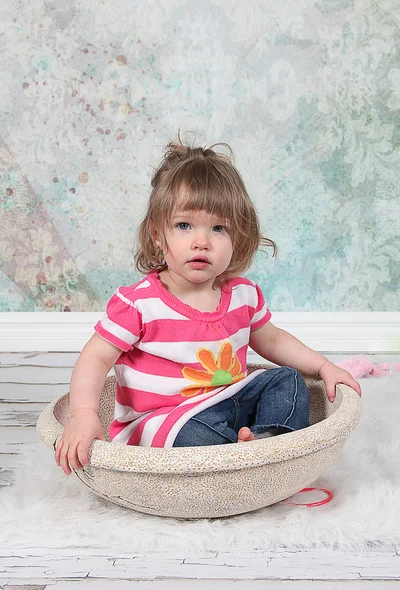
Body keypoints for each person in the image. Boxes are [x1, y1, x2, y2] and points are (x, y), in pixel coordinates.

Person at [56, 140, 362, 476]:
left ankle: (266, 440)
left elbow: (272, 340)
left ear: (237, 236)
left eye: (218, 228)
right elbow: (96, 357)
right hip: (167, 423)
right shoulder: (140, 303)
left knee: (287, 381)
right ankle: (237, 457)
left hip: (231, 400)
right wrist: (83, 414)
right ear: (158, 235)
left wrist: (322, 366)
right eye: (184, 226)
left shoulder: (243, 294)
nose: (202, 241)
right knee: (194, 437)